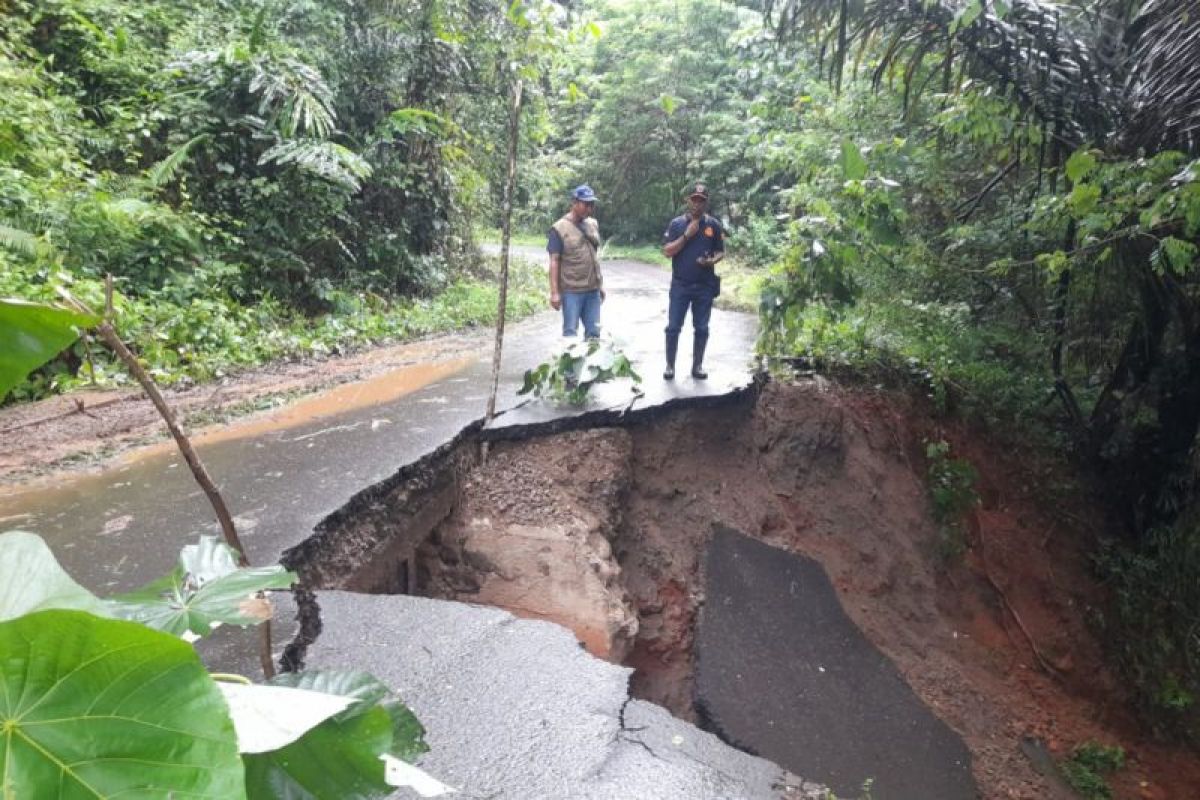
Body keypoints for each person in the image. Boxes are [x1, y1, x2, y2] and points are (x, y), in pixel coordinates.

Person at [661, 182, 725, 379]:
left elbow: (720, 251)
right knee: (673, 327)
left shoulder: (713, 225)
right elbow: (667, 251)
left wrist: (710, 261)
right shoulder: (677, 224)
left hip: (704, 286)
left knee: (702, 328)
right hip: (681, 285)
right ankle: (670, 366)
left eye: (702, 201)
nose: (697, 204)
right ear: (688, 200)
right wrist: (686, 236)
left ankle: (697, 366)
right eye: (694, 200)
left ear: (706, 203)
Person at [547, 184, 605, 338]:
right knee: (570, 333)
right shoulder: (559, 229)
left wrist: (600, 286)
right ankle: (569, 362)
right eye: (586, 204)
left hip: (592, 291)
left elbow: (594, 257)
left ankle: (592, 363)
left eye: (591, 204)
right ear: (574, 203)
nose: (589, 208)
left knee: (594, 333)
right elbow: (554, 261)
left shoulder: (592, 225)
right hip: (572, 291)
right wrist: (554, 293)